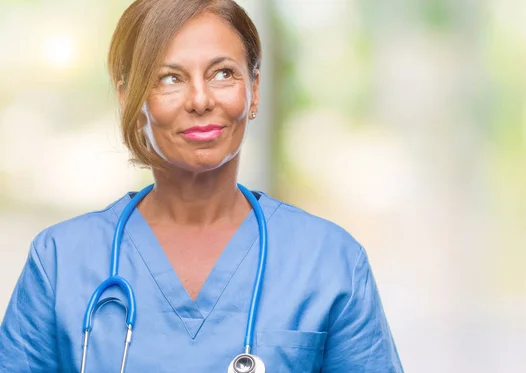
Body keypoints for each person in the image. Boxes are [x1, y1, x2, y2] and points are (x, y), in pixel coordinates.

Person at [0, 0, 403, 371]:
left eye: (223, 73)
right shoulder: (59, 262)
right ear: (128, 99)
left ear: (255, 90)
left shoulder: (329, 261)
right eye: (170, 78)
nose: (200, 99)